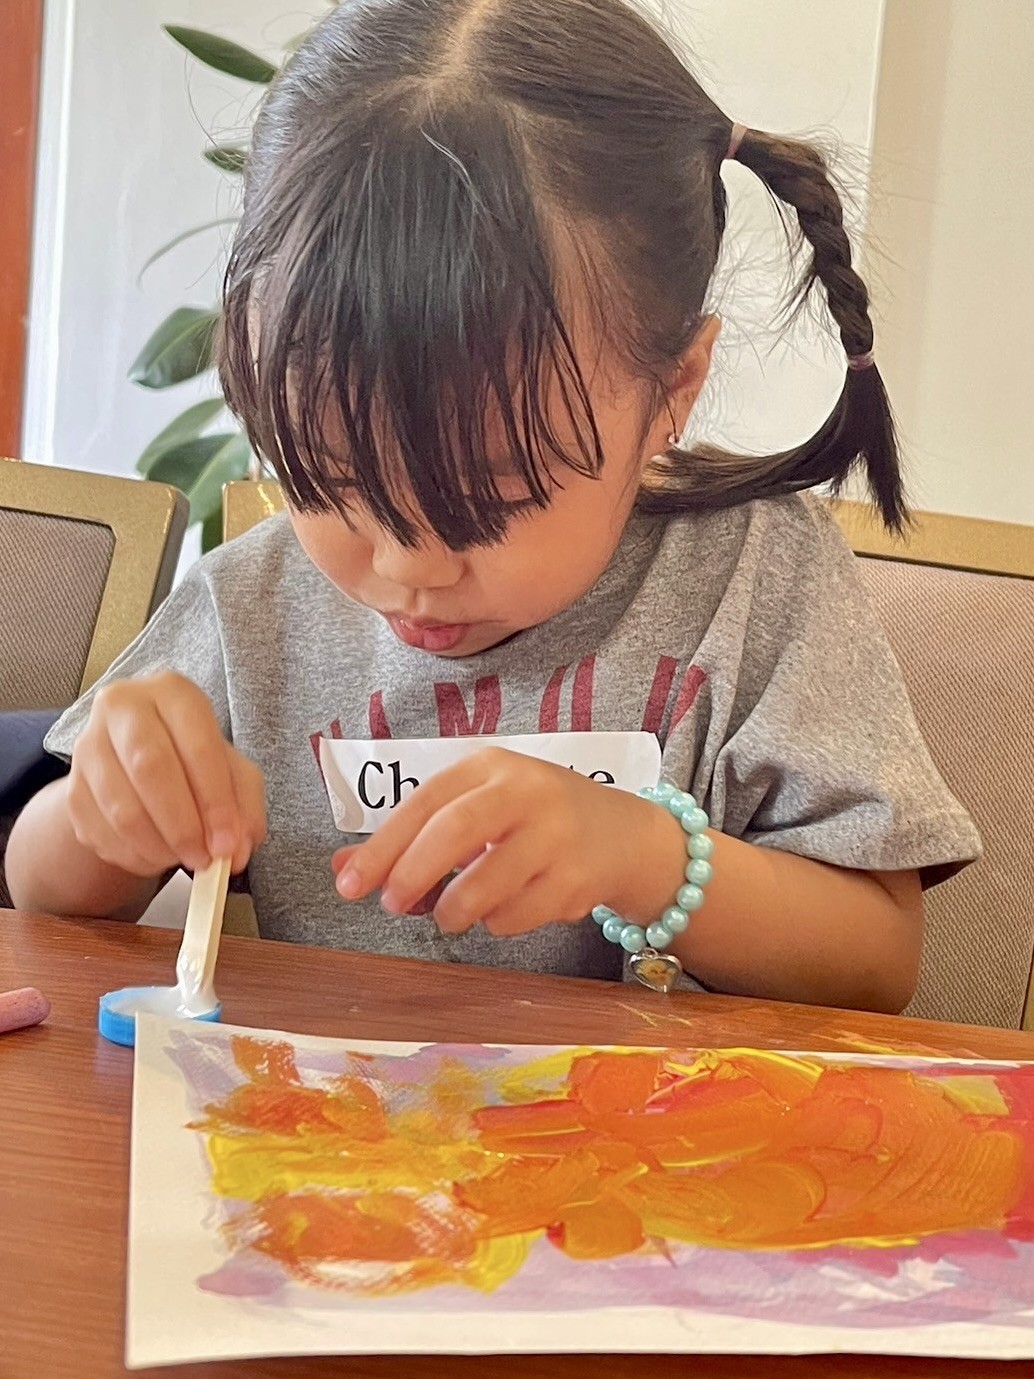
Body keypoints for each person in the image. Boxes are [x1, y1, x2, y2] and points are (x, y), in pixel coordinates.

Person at [8, 0, 979, 1012]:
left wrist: (647, 857)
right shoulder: (253, 605)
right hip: (332, 1099)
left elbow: (876, 962)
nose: (409, 565)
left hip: (651, 1105)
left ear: (673, 389)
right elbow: (46, 901)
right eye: (330, 477)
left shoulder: (753, 575)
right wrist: (101, 813)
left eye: (489, 498)